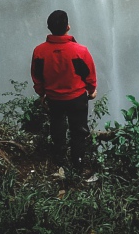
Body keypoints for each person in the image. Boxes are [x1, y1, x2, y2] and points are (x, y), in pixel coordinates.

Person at [30, 10, 97, 169]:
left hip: (54, 99)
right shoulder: (80, 51)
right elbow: (89, 74)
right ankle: (77, 164)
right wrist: (92, 90)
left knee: (57, 128)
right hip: (77, 98)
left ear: (49, 28)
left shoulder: (39, 51)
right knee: (79, 131)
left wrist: (41, 94)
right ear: (68, 27)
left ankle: (59, 161)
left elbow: (37, 76)